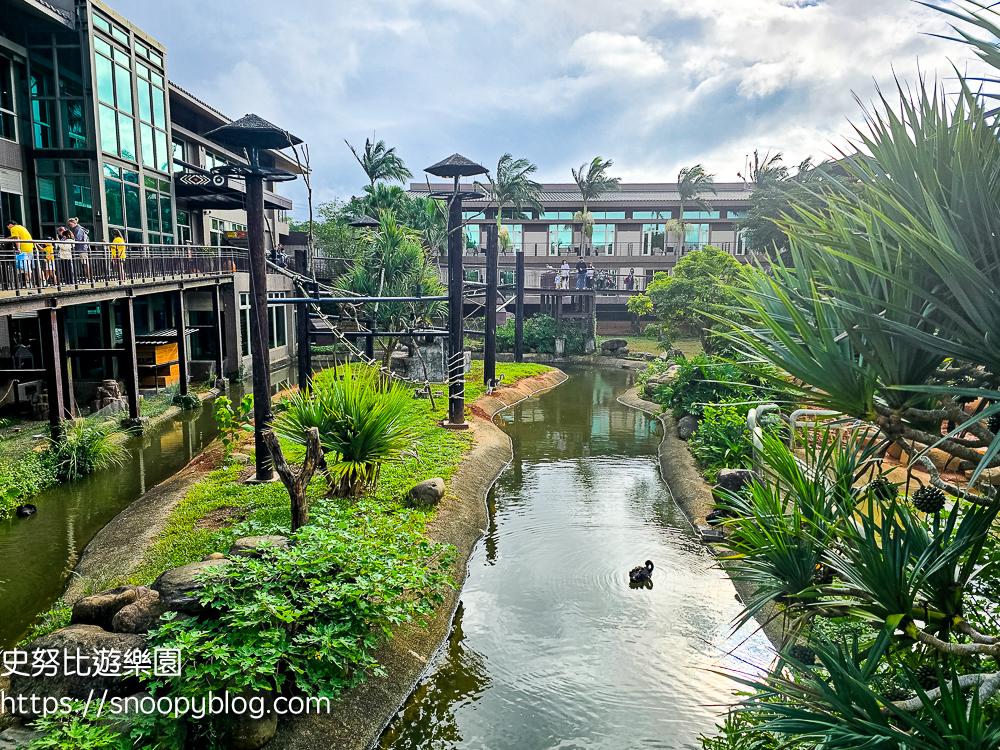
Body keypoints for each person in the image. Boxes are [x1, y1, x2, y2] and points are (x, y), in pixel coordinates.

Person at [7, 220, 34, 287]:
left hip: (24, 250)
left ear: (10, 225)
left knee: (25, 268)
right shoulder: (22, 227)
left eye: (7, 226)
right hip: (30, 248)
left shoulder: (13, 228)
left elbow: (17, 238)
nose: (8, 228)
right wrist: (7, 238)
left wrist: (18, 248)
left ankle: (28, 283)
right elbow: (16, 236)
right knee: (28, 267)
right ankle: (29, 282)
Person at [67, 217, 90, 283]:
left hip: (81, 248)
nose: (70, 226)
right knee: (84, 264)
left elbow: (78, 239)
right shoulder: (78, 229)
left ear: (74, 223)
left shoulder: (78, 229)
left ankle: (88, 278)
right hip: (82, 248)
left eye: (70, 224)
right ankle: (87, 278)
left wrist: (71, 239)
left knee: (85, 264)